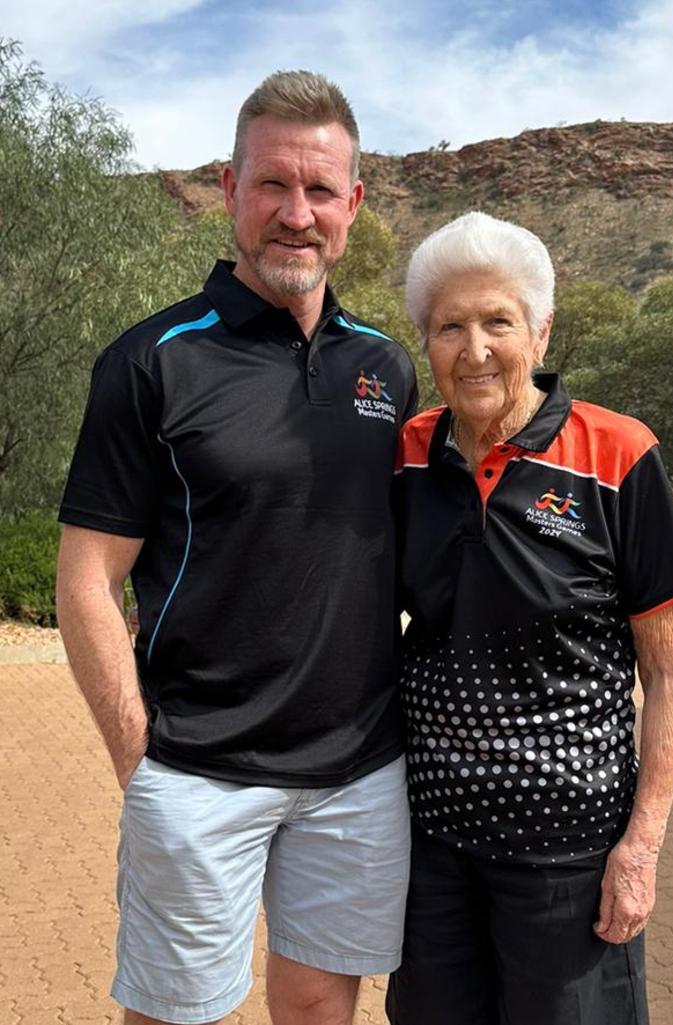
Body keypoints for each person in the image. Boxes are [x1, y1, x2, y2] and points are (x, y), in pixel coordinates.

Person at [56, 70, 417, 1025]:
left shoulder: (386, 365)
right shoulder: (153, 358)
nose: (296, 214)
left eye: (320, 190)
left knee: (319, 1013)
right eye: (272, 185)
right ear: (230, 188)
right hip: (197, 771)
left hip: (358, 775)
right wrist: (142, 766)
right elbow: (88, 578)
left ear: (353, 204)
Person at [386, 211, 673, 1025]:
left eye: (498, 320)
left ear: (541, 328)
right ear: (424, 340)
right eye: (449, 326)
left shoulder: (617, 453)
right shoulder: (403, 457)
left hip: (570, 859)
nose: (474, 349)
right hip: (432, 852)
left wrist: (640, 847)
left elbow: (672, 675)